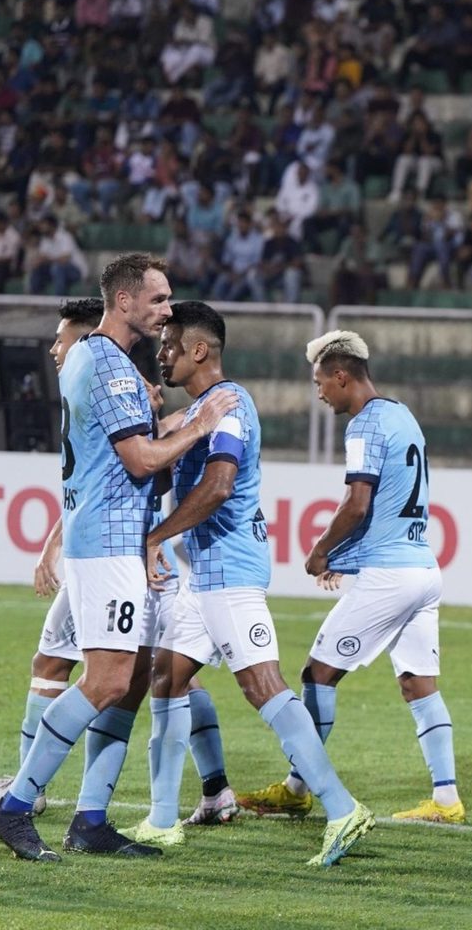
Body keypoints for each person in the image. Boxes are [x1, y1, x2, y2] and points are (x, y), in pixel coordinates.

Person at [0, 255, 237, 862]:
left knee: (120, 681)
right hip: (108, 542)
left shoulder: (91, 358)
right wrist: (202, 422)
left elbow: (134, 443)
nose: (166, 311)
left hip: (108, 539)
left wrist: (176, 421)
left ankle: (90, 820)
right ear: (124, 301)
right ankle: (17, 803)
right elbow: (141, 461)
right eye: (157, 300)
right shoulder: (108, 363)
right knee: (104, 681)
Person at [122, 303, 374, 868]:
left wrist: (155, 536)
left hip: (229, 571)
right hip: (203, 572)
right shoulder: (203, 410)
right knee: (167, 677)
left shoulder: (229, 408)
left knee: (263, 686)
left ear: (199, 351)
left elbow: (217, 487)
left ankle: (341, 806)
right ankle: (166, 819)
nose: (161, 354)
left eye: (168, 345)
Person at [237, 330, 464, 826]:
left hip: (392, 576)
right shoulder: (403, 415)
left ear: (342, 376)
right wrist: (352, 556)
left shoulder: (363, 425)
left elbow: (358, 503)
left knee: (317, 674)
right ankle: (447, 799)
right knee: (418, 684)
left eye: (321, 382)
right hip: (423, 569)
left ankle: (298, 787)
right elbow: (391, 508)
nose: (319, 392)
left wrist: (322, 550)